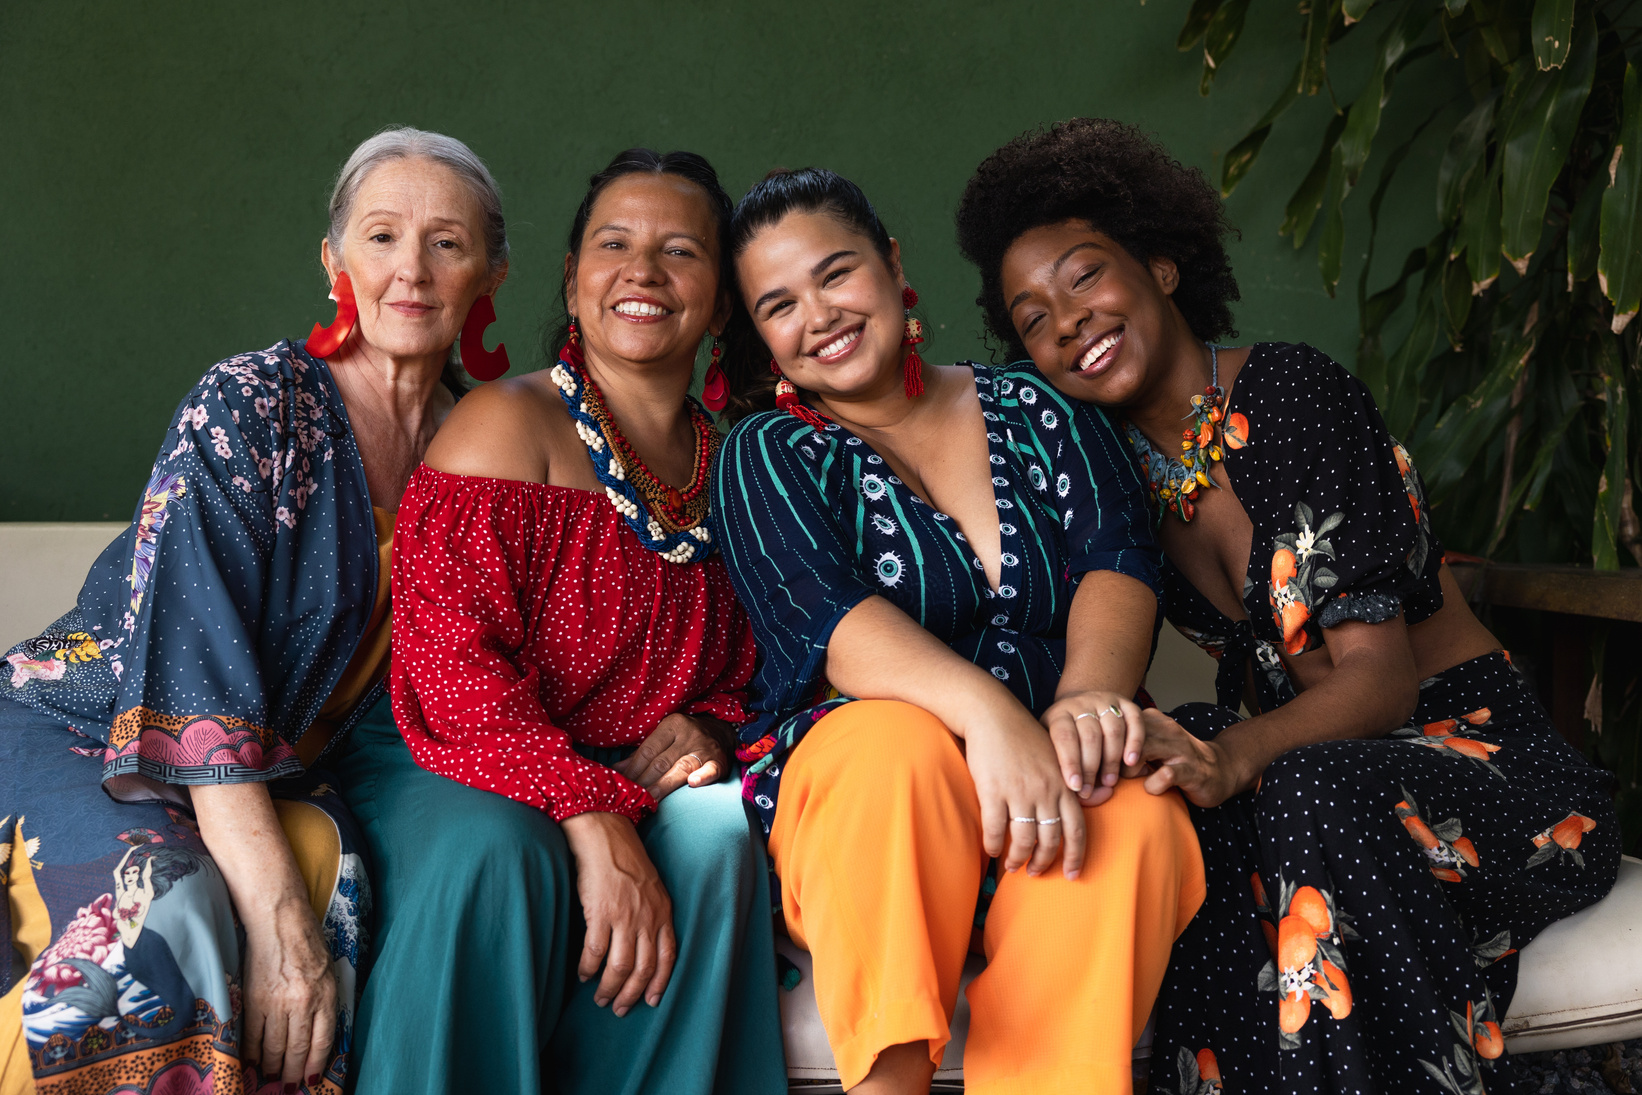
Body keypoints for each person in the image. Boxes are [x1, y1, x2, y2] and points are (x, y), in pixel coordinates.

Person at [955, 117, 1621, 1095]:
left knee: (1286, 781)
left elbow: (1381, 684)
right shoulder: (1119, 494)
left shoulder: (1294, 396)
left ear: (1162, 268)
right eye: (1031, 316)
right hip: (1316, 802)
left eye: (1086, 276)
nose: (1066, 320)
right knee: (1169, 768)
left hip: (1483, 774)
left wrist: (1229, 757)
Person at [0, 125, 507, 1094]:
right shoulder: (252, 404)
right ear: (334, 261)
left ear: (490, 270)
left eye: (446, 242)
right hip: (82, 720)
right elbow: (191, 673)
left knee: (339, 891)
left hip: (273, 768)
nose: (411, 269)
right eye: (381, 236)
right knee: (169, 912)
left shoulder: (484, 445)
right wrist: (276, 926)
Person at [712, 167, 1205, 1095]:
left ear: (892, 263)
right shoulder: (767, 453)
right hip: (877, 811)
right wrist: (993, 719)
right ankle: (887, 1083)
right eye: (779, 304)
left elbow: (1118, 556)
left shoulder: (1039, 407)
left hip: (1056, 773)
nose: (819, 314)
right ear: (763, 339)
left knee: (1130, 803)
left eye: (836, 273)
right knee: (888, 744)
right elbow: (829, 624)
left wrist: (1087, 699)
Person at [339, 148, 786, 1095]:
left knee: (715, 836)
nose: (643, 271)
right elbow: (452, 666)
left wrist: (708, 726)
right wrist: (586, 807)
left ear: (721, 296)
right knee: (502, 850)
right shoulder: (506, 425)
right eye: (614, 243)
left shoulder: (740, 463)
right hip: (453, 744)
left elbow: (770, 661)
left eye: (680, 250)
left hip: (630, 765)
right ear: (575, 281)